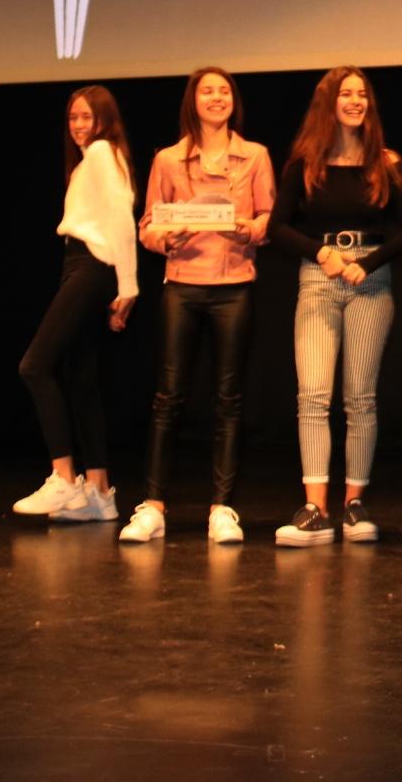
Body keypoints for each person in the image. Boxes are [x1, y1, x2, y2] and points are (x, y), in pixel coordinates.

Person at [120, 68, 275, 545]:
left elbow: (268, 218)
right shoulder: (168, 159)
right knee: (168, 397)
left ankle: (222, 508)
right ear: (193, 100)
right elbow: (148, 225)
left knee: (228, 399)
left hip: (234, 286)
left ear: (234, 101)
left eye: (224, 91)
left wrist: (245, 229)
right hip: (182, 285)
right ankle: (153, 506)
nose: (217, 97)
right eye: (207, 91)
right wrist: (167, 237)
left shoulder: (254, 155)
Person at [267, 67, 402, 546]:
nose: (355, 101)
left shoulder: (386, 163)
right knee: (313, 395)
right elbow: (277, 227)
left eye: (362, 94)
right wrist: (322, 253)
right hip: (319, 279)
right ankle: (315, 508)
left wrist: (368, 263)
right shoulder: (305, 162)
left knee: (360, 398)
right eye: (346, 94)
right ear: (328, 103)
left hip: (370, 284)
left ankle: (355, 505)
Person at [10, 86, 138, 523]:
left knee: (35, 365)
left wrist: (128, 286)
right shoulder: (92, 160)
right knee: (80, 376)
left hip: (92, 265)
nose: (79, 125)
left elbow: (122, 220)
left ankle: (64, 477)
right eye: (73, 118)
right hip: (81, 263)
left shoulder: (101, 152)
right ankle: (99, 491)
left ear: (104, 119)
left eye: (87, 117)